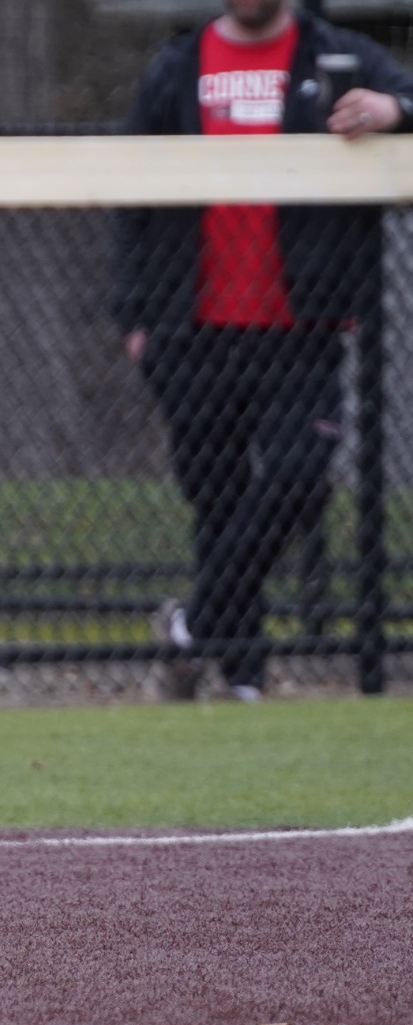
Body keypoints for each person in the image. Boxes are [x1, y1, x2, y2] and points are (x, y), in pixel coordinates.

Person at [113, 0, 413, 702]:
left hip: (300, 329)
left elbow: (405, 98)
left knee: (300, 476)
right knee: (216, 503)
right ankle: (242, 675)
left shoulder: (336, 55)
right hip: (191, 330)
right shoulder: (176, 67)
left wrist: (390, 110)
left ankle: (192, 627)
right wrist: (133, 313)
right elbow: (128, 188)